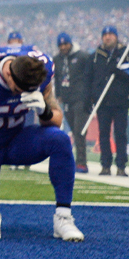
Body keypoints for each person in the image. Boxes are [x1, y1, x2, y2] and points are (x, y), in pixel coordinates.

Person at [0, 48, 83, 241]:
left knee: (60, 139)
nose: (21, 93)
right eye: (18, 89)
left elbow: (56, 121)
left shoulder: (42, 70)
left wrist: (44, 111)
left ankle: (63, 217)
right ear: (8, 74)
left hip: (17, 141)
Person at [89, 26, 129, 177]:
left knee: (120, 134)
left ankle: (121, 165)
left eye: (111, 35)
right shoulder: (96, 55)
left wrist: (119, 72)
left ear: (116, 36)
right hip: (103, 101)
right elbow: (90, 78)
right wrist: (91, 97)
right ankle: (105, 165)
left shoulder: (126, 54)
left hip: (121, 101)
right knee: (103, 134)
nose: (108, 37)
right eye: (105, 35)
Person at [52, 32, 92, 173]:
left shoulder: (82, 56)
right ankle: (75, 161)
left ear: (70, 43)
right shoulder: (57, 59)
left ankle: (82, 163)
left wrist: (89, 96)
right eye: (60, 45)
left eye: (65, 44)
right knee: (74, 132)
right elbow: (56, 78)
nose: (63, 47)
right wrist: (58, 95)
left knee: (79, 131)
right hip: (67, 100)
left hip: (80, 99)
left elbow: (89, 77)